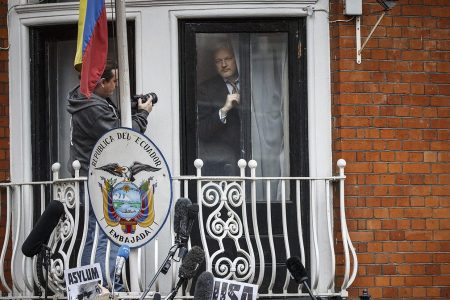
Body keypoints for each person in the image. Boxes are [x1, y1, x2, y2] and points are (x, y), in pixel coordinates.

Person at [67, 59, 153, 290]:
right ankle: (104, 286)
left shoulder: (89, 100)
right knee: (103, 233)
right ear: (100, 82)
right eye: (114, 80)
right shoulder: (92, 108)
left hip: (95, 176)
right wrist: (143, 115)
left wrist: (132, 107)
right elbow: (120, 134)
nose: (117, 85)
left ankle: (95, 285)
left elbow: (111, 120)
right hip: (97, 178)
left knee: (97, 233)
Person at [197, 44, 242, 176]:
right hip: (224, 161)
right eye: (218, 61)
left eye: (228, 58)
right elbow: (202, 131)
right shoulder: (206, 89)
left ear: (237, 59)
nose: (223, 64)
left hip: (255, 156)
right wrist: (224, 110)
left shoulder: (251, 81)